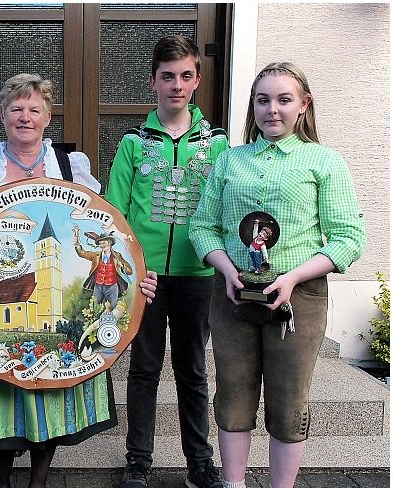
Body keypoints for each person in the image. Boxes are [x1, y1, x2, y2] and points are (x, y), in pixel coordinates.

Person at [0, 73, 158, 487]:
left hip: (55, 288)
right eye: (16, 108)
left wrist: (135, 276)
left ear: (48, 117)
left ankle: (39, 481)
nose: (25, 117)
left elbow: (105, 229)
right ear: (2, 116)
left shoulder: (70, 167)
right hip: (5, 289)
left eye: (34, 109)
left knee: (51, 401)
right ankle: (0, 482)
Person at [189, 62, 366, 487]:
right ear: (253, 106)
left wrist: (291, 278)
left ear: (303, 105)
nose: (272, 109)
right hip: (233, 294)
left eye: (284, 100)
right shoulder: (229, 161)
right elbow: (203, 226)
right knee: (233, 397)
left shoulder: (324, 162)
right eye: (263, 100)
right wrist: (227, 270)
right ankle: (234, 485)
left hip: (297, 298)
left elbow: (348, 237)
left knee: (288, 403)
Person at [105, 35, 228, 488]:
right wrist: (130, 268)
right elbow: (115, 213)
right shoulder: (133, 143)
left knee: (193, 370)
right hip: (148, 276)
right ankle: (139, 460)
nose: (176, 85)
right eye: (167, 76)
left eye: (185, 76)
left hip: (199, 272)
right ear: (153, 81)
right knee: (144, 368)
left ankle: (200, 460)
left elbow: (225, 208)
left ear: (197, 80)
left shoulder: (217, 144)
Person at [74, 229, 133, 311]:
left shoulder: (117, 256)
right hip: (98, 286)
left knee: (113, 308)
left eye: (104, 243)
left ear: (110, 243)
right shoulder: (96, 255)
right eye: (100, 243)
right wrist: (77, 245)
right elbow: (82, 253)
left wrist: (122, 266)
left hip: (112, 287)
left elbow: (130, 271)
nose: (102, 245)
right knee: (94, 308)